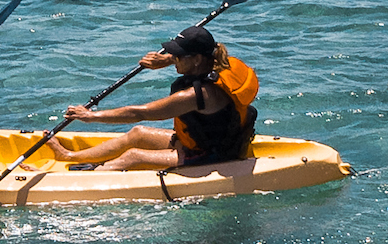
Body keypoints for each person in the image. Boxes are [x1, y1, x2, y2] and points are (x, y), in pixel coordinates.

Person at [53, 26, 260, 172]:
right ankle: (69, 157)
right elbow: (195, 60)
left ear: (196, 60)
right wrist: (167, 60)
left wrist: (90, 116)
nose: (174, 59)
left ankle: (90, 176)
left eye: (178, 56)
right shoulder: (222, 62)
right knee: (138, 135)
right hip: (208, 141)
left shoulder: (197, 96)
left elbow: (140, 113)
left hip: (208, 154)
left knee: (134, 156)